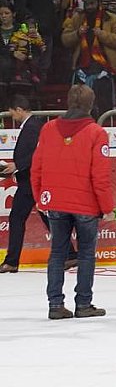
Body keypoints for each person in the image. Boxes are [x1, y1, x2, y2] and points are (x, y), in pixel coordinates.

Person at [32, 85, 112, 320]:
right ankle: (83, 303)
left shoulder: (48, 129)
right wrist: (107, 207)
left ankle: (55, 304)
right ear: (91, 104)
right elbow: (101, 176)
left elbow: (36, 168)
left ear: (68, 102)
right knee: (86, 254)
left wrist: (40, 198)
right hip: (86, 204)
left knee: (57, 253)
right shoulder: (97, 132)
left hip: (55, 202)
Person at [0, 94, 46, 273]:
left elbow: (37, 152)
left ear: (19, 110)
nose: (12, 116)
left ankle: (12, 261)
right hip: (30, 179)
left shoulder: (32, 126)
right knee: (47, 217)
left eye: (12, 112)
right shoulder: (32, 125)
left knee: (17, 218)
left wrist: (17, 165)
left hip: (30, 181)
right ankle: (70, 254)